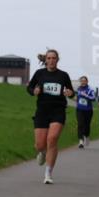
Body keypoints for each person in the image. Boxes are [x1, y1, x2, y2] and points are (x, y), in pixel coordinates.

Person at [26, 49, 74, 185]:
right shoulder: (39, 73)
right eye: (49, 58)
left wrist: (70, 93)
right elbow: (29, 88)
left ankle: (48, 173)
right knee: (40, 145)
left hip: (58, 110)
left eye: (54, 58)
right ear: (45, 60)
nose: (51, 60)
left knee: (52, 139)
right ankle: (42, 152)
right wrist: (34, 91)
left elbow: (71, 92)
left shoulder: (63, 75)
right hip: (42, 110)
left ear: (57, 60)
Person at [75, 76, 97, 148]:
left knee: (87, 125)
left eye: (84, 81)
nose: (83, 82)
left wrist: (86, 95)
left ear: (87, 82)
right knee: (80, 124)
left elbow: (94, 98)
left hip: (88, 110)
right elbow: (77, 97)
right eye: (81, 81)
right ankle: (80, 141)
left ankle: (86, 136)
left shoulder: (90, 90)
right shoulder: (78, 89)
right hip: (79, 109)